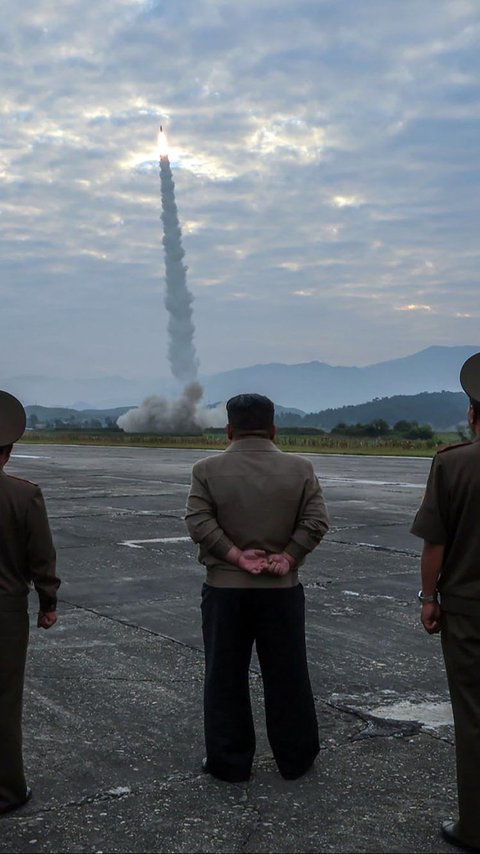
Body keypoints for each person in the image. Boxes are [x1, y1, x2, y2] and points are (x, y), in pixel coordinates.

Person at [185, 393, 329, 783]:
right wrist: (288, 556)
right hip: (281, 589)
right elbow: (316, 521)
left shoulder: (206, 469)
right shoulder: (300, 468)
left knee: (225, 677)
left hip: (226, 589)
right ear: (274, 428)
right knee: (288, 675)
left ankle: (230, 762)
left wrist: (234, 556)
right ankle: (295, 758)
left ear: (229, 429)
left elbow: (198, 521)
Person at [411, 352, 480, 852]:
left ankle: (476, 827)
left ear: (474, 416)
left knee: (474, 718)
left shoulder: (453, 464)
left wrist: (428, 596)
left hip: (471, 611)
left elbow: (434, 543)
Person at [0, 391, 60, 815]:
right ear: (8, 451)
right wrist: (48, 602)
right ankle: (6, 791)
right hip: (4, 613)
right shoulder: (23, 496)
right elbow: (42, 558)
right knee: (4, 702)